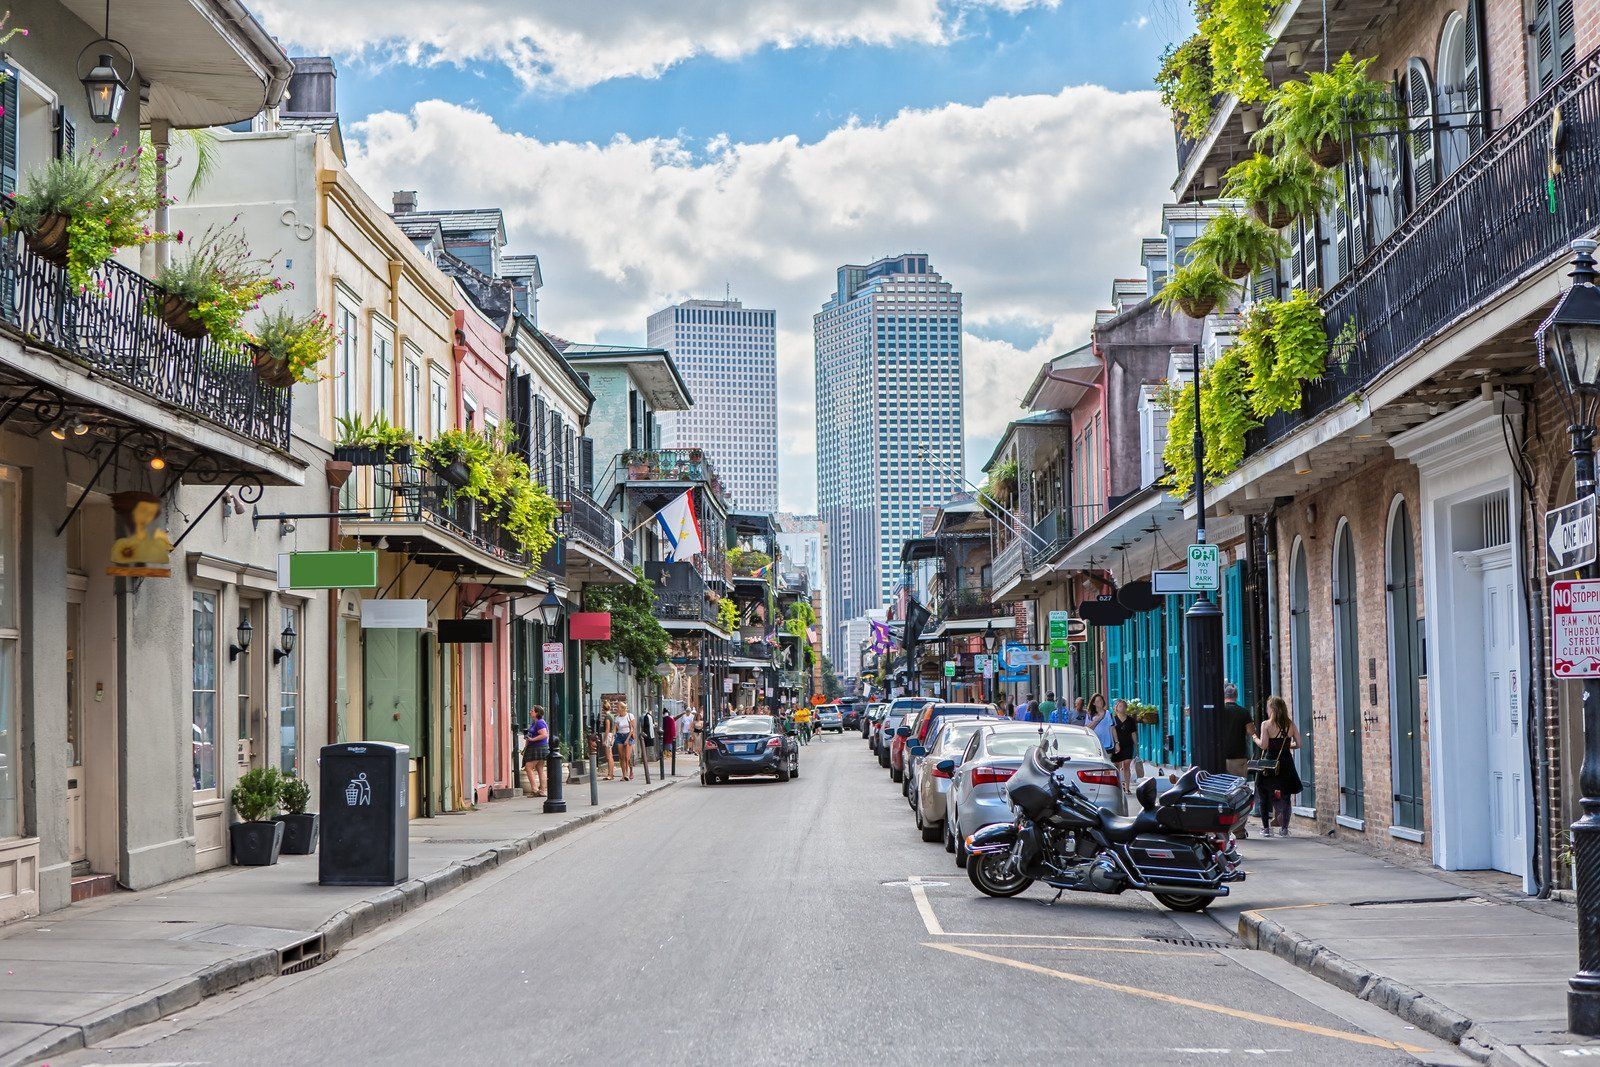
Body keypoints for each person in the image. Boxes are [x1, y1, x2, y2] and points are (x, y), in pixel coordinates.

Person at [1254, 695, 1302, 836]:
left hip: (1270, 763)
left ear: (1272, 709)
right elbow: (1299, 744)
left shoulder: (1266, 725)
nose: (1267, 710)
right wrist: (1286, 746)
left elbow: (1264, 745)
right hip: (1286, 763)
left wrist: (1255, 738)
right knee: (1285, 795)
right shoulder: (1290, 724)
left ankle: (1266, 829)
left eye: (1268, 707)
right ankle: (1284, 829)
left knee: (1263, 793)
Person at [1221, 683, 1254, 838]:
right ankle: (1239, 830)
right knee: (1239, 793)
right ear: (1236, 696)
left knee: (1222, 793)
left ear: (1224, 696)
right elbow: (1251, 731)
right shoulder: (1243, 712)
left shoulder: (1219, 711)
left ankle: (1222, 827)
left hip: (1220, 758)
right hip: (1238, 758)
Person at [1109, 698, 1138, 792]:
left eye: (1124, 706)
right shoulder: (1113, 719)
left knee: (1126, 764)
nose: (1122, 708)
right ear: (1116, 708)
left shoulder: (1130, 720)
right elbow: (1111, 732)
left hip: (1128, 744)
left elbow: (1133, 733)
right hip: (1117, 745)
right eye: (1120, 706)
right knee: (1117, 765)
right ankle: (1118, 786)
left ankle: (1127, 787)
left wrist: (1136, 745)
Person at [522, 706, 550, 797]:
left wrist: (533, 739)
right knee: (540, 769)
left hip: (537, 747)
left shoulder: (539, 723)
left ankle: (535, 789)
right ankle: (542, 790)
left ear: (537, 713)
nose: (530, 712)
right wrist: (526, 745)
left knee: (528, 767)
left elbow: (544, 734)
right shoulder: (535, 722)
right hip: (539, 747)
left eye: (532, 711)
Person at [612, 701, 636, 782]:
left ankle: (630, 770)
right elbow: (615, 728)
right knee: (621, 757)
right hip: (620, 736)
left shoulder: (629, 716)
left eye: (618, 707)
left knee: (627, 757)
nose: (616, 709)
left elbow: (632, 729)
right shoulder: (617, 717)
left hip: (628, 736)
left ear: (622, 708)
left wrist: (627, 739)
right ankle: (624, 775)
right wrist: (612, 735)